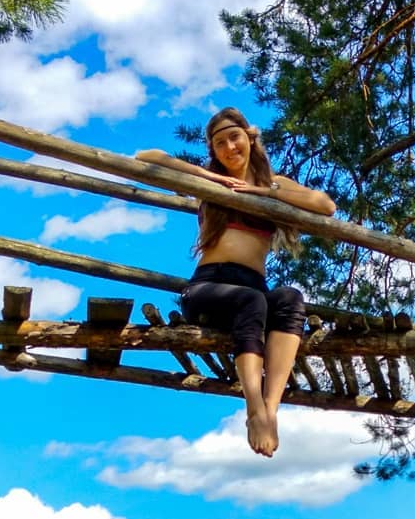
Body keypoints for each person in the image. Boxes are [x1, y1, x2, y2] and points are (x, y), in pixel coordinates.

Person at [136, 108, 336, 457]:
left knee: (289, 297)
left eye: (234, 138)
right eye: (219, 143)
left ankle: (270, 410)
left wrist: (267, 192)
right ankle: (253, 408)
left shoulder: (274, 183)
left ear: (249, 138)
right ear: (212, 151)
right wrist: (209, 178)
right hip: (207, 289)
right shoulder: (207, 182)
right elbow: (146, 157)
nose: (229, 147)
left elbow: (325, 205)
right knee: (253, 301)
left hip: (252, 289)